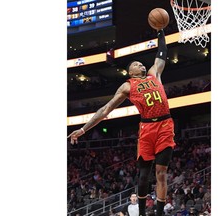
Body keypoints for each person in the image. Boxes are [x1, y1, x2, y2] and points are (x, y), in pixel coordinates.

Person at [67, 28, 176, 216]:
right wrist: (83, 129)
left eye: (140, 62)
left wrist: (160, 32)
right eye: (135, 63)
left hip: (165, 125)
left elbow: (162, 53)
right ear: (130, 71)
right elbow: (105, 110)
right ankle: (142, 213)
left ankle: (158, 214)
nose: (140, 64)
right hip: (147, 128)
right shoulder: (127, 86)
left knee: (161, 173)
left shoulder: (154, 73)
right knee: (143, 177)